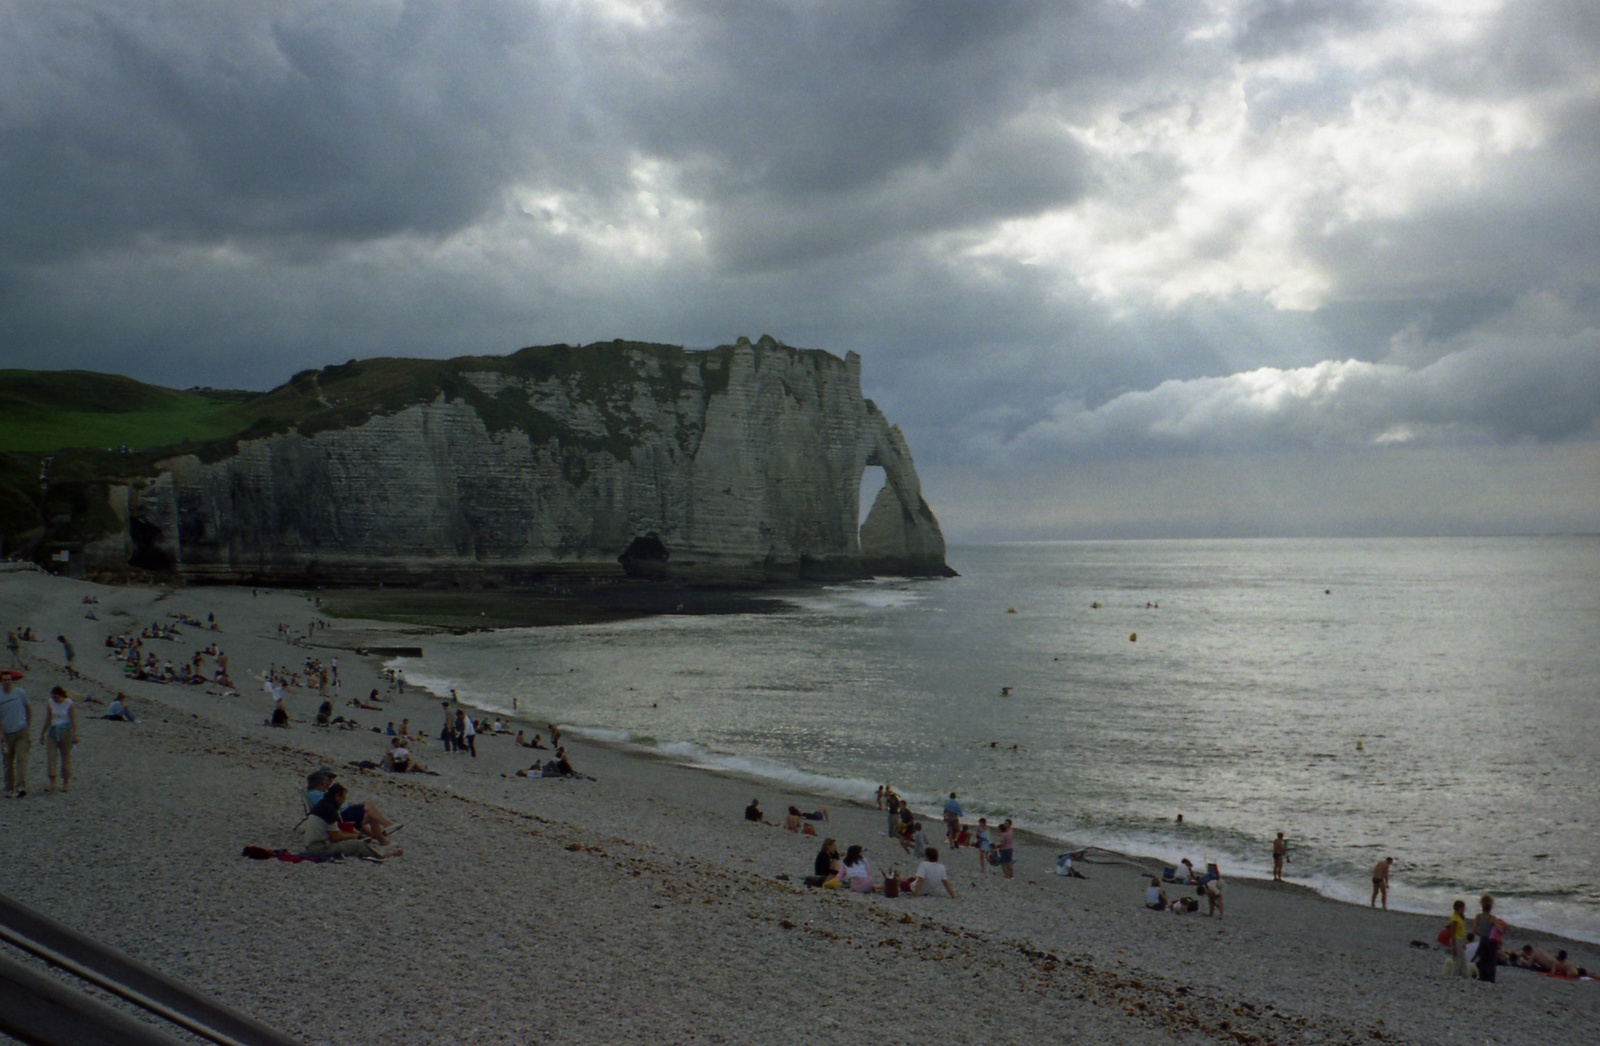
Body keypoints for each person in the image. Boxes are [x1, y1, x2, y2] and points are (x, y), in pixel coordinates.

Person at [303, 785, 402, 859]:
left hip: (313, 844)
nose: (343, 802)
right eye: (343, 799)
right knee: (358, 844)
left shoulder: (322, 804)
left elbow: (333, 833)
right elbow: (335, 836)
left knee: (352, 840)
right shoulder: (330, 810)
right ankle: (382, 856)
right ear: (337, 796)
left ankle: (375, 843)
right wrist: (353, 836)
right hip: (320, 848)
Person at [40, 686, 78, 793]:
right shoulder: (50, 703)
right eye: (53, 697)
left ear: (61, 696)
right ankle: (52, 782)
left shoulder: (69, 703)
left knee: (66, 757)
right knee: (51, 756)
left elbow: (72, 720)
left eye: (56, 697)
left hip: (66, 731)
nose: (55, 699)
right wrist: (42, 733)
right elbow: (48, 718)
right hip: (52, 730)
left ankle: (66, 783)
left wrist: (75, 734)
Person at [1, 671, 31, 798]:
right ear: (1, 682)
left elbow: (28, 709)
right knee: (8, 761)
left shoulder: (21, 693)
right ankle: (9, 787)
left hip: (21, 731)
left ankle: (21, 786)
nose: (8, 681)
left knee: (21, 758)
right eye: (5, 679)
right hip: (7, 733)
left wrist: (28, 725)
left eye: (9, 679)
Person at [1473, 894, 1506, 983]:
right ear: (1491, 906)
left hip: (1482, 939)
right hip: (1491, 940)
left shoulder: (1478, 916)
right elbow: (1500, 930)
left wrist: (1481, 934)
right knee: (1491, 960)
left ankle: (1482, 976)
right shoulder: (1492, 918)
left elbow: (1474, 929)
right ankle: (1491, 979)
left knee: (1483, 959)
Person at [1446, 900, 1470, 977]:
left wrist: (1464, 941)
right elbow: (1452, 933)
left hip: (1460, 939)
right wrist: (1454, 946)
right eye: (1463, 907)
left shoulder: (1459, 917)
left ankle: (1464, 974)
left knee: (1463, 958)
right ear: (1459, 908)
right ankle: (1455, 975)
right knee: (1457, 959)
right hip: (1456, 939)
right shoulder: (1454, 918)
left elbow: (1462, 930)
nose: (1464, 909)